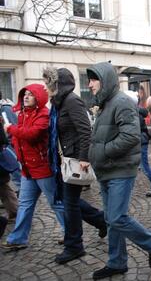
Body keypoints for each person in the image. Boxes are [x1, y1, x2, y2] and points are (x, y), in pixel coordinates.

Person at [86, 62, 151, 279]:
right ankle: (117, 262)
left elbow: (131, 137)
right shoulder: (104, 103)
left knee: (117, 217)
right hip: (107, 170)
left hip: (120, 170)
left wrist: (102, 152)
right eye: (89, 79)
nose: (89, 84)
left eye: (93, 79)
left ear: (105, 80)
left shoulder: (121, 102)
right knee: (111, 219)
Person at [42, 67, 107, 264]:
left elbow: (85, 130)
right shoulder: (58, 103)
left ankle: (75, 246)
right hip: (63, 160)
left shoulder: (71, 100)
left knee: (69, 203)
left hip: (75, 161)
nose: (45, 87)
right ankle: (100, 220)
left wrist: (84, 158)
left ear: (56, 84)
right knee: (69, 200)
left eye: (47, 83)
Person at [2, 84, 65, 250]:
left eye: (30, 94)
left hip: (43, 169)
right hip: (28, 170)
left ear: (38, 97)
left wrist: (10, 129)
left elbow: (31, 135)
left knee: (56, 203)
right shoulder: (23, 114)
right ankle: (18, 239)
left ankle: (71, 234)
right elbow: (19, 138)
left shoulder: (44, 114)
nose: (26, 97)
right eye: (25, 94)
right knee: (25, 204)